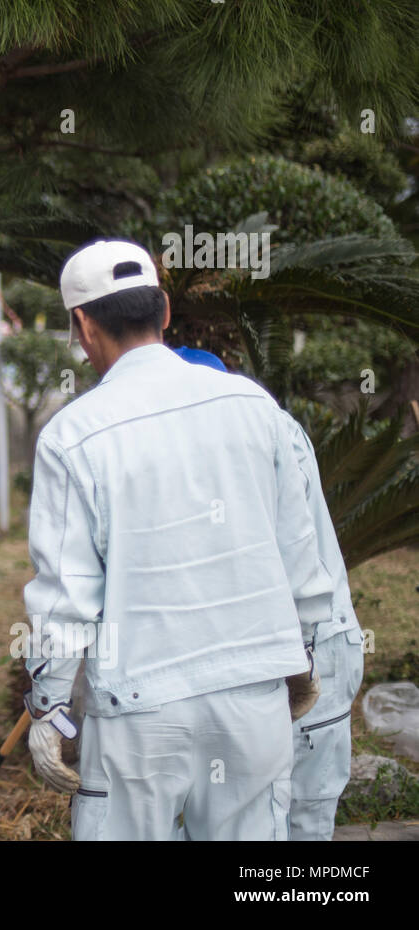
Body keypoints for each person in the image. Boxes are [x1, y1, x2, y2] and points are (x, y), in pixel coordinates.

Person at [21, 238, 334, 840]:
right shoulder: (253, 406)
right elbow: (301, 549)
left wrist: (50, 707)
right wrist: (303, 649)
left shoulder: (72, 436)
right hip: (255, 695)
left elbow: (66, 594)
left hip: (140, 710)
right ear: (164, 310)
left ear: (82, 326)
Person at [172, 350, 365, 839]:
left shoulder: (262, 431)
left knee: (301, 815)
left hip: (311, 647)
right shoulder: (228, 431)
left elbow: (286, 558)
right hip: (271, 652)